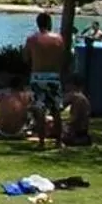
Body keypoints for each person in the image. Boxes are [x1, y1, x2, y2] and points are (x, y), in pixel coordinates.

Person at [26, 12, 70, 141]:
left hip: (38, 77)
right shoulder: (58, 39)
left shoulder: (32, 39)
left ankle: (41, 141)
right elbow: (64, 58)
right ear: (49, 23)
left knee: (40, 110)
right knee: (56, 110)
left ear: (38, 24)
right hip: (53, 77)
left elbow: (25, 57)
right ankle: (59, 141)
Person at [0, 73, 33, 138]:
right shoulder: (26, 96)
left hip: (2, 131)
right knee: (35, 110)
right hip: (18, 131)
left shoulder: (2, 96)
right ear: (21, 85)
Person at [63, 77, 94, 146]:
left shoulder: (77, 98)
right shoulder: (80, 97)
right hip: (79, 130)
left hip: (77, 131)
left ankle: (79, 140)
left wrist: (65, 125)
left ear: (72, 86)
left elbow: (75, 118)